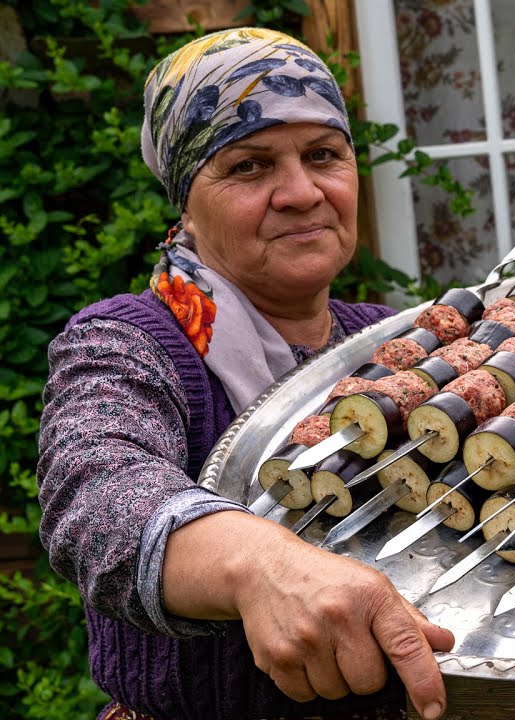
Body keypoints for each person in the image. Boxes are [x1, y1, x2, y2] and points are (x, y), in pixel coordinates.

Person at [37, 28, 454, 720]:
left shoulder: (391, 340)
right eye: (249, 167)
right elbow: (97, 492)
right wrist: (259, 566)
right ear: (186, 204)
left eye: (324, 155)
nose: (300, 192)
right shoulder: (125, 344)